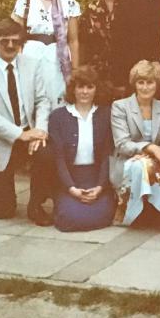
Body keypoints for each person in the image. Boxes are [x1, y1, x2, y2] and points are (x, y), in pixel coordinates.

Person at [0, 18, 52, 225]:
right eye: (4, 41)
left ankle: (36, 205)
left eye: (15, 41)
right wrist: (19, 134)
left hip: (30, 132)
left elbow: (43, 100)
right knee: (5, 211)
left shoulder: (32, 65)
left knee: (46, 153)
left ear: (21, 43)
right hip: (0, 138)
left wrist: (40, 131)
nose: (9, 46)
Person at [111, 60, 160, 227]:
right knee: (140, 166)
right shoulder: (120, 107)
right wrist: (151, 148)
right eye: (140, 82)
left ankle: (159, 212)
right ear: (134, 84)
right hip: (128, 160)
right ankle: (129, 210)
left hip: (159, 161)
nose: (145, 87)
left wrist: (156, 153)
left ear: (157, 84)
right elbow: (122, 144)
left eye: (150, 82)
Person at [47, 66, 116, 232]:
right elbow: (59, 158)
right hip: (70, 180)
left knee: (104, 216)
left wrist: (100, 187)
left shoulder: (106, 115)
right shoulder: (58, 117)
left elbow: (108, 154)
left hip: (95, 178)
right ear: (73, 89)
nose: (85, 92)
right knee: (68, 219)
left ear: (96, 89)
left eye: (90, 87)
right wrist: (72, 189)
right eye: (80, 86)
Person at [10, 0, 81, 106]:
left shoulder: (69, 4)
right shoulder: (25, 1)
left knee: (58, 100)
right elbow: (14, 36)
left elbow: (73, 40)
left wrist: (75, 70)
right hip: (31, 56)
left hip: (58, 59)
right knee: (32, 100)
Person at [80, 0, 129, 89]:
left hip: (125, 74)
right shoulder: (91, 9)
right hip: (96, 77)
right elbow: (83, 43)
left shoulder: (132, 6)